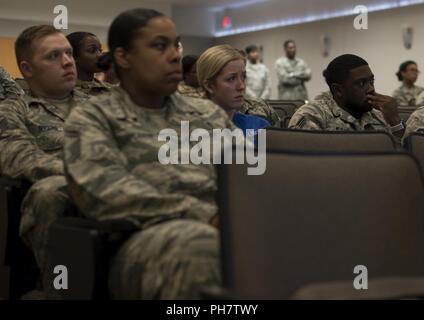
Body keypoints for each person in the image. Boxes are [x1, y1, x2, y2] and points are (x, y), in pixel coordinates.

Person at [63, 8, 235, 299]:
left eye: (175, 45)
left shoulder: (208, 114)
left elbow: (246, 177)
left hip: (227, 228)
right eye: (159, 46)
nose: (175, 55)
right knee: (203, 248)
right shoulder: (93, 117)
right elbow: (103, 192)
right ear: (123, 56)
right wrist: (207, 216)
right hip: (143, 240)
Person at [0, 25, 88, 297]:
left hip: (125, 187)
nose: (67, 62)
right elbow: (16, 155)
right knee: (50, 191)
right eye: (53, 56)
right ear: (27, 69)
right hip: (66, 195)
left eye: (69, 53)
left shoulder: (106, 103)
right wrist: (86, 175)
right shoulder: (14, 110)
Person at [288, 54, 404, 140]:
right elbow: (308, 164)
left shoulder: (379, 116)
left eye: (371, 81)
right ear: (338, 90)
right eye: (361, 83)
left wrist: (395, 122)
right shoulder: (312, 115)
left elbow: (400, 161)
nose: (371, 89)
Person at [197, 44, 270, 136]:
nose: (241, 86)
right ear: (209, 86)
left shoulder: (257, 126)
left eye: (243, 77)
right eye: (231, 79)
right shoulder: (187, 129)